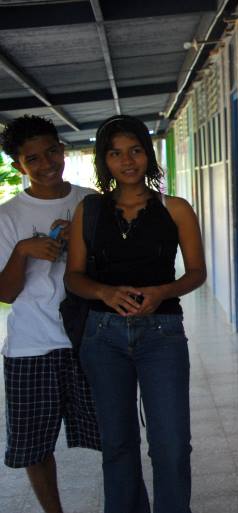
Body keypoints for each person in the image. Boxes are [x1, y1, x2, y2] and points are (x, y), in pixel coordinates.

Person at [64, 115, 206, 513]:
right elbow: (74, 277)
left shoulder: (175, 209)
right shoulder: (88, 211)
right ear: (103, 161)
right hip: (102, 336)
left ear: (148, 153)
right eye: (115, 153)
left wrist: (164, 291)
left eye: (135, 151)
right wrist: (104, 292)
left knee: (172, 443)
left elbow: (197, 272)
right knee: (118, 443)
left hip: (162, 335)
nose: (127, 161)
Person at [0, 115, 100, 513]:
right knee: (33, 445)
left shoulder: (89, 201)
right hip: (31, 346)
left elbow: (111, 268)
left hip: (90, 338)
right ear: (18, 166)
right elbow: (7, 294)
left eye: (51, 152)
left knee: (112, 432)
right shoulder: (8, 217)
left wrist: (79, 236)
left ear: (63, 149)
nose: (46, 164)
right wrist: (24, 251)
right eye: (33, 159)